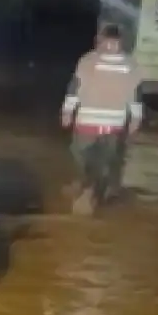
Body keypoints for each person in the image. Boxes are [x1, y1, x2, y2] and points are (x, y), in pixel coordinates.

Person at [61, 24, 144, 215]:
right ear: (100, 41)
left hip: (113, 123)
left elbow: (136, 94)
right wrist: (67, 111)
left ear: (121, 43)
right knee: (80, 155)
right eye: (107, 41)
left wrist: (136, 117)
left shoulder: (131, 66)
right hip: (87, 121)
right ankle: (87, 185)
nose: (110, 45)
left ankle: (93, 192)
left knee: (107, 161)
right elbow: (75, 87)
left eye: (114, 42)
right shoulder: (87, 61)